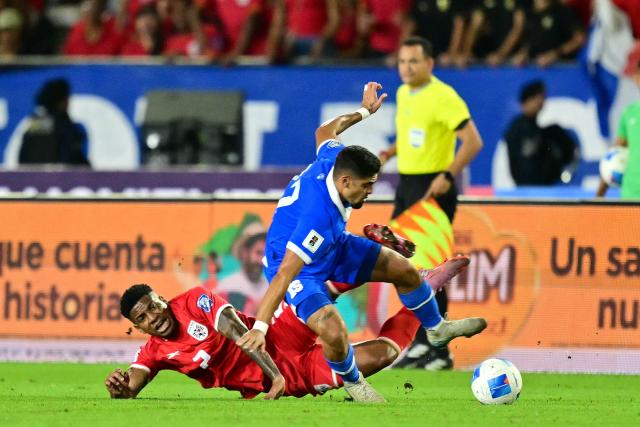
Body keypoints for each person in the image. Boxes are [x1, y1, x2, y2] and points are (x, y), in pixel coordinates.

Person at [236, 81, 487, 402]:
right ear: (345, 181)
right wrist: (260, 326)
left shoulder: (335, 157)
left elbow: (325, 130)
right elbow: (286, 272)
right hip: (298, 268)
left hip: (333, 245)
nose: (370, 192)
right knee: (332, 329)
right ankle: (355, 384)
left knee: (404, 271)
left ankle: (436, 328)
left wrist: (365, 111)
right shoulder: (319, 216)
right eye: (366, 186)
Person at [104, 271, 455, 399]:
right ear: (138, 326)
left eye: (153, 306)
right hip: (292, 376)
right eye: (143, 317)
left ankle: (390, 264)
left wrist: (272, 374)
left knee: (323, 291)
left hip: (275, 337)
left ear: (162, 299)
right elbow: (132, 385)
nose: (153, 317)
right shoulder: (154, 351)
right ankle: (421, 295)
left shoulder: (194, 300)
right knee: (384, 356)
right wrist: (121, 389)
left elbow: (236, 328)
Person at [377, 36, 483, 371]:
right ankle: (421, 342)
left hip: (434, 186)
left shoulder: (444, 97)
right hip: (407, 184)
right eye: (402, 61)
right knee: (402, 266)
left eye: (413, 62)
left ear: (430, 64)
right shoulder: (404, 93)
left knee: (429, 268)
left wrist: (449, 175)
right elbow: (411, 133)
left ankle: (439, 350)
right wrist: (391, 152)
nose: (406, 68)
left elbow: (473, 142)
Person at [504, 80, 577, 185]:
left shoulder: (547, 131)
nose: (540, 101)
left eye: (542, 97)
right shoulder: (517, 129)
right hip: (527, 188)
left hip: (544, 187)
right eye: (536, 97)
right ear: (526, 101)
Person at [597, 47, 640, 199]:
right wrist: (598, 196)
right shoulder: (630, 114)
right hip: (630, 197)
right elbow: (614, 155)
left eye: (635, 72)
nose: (634, 78)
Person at [19, 78, 91, 166]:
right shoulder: (65, 126)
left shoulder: (33, 125)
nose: (68, 102)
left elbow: (22, 160)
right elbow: (74, 160)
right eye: (66, 98)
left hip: (29, 178)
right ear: (61, 101)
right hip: (59, 178)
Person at [216, 219, 269, 315]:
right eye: (258, 253)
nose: (262, 260)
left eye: (264, 254)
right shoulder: (228, 285)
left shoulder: (268, 286)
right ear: (245, 252)